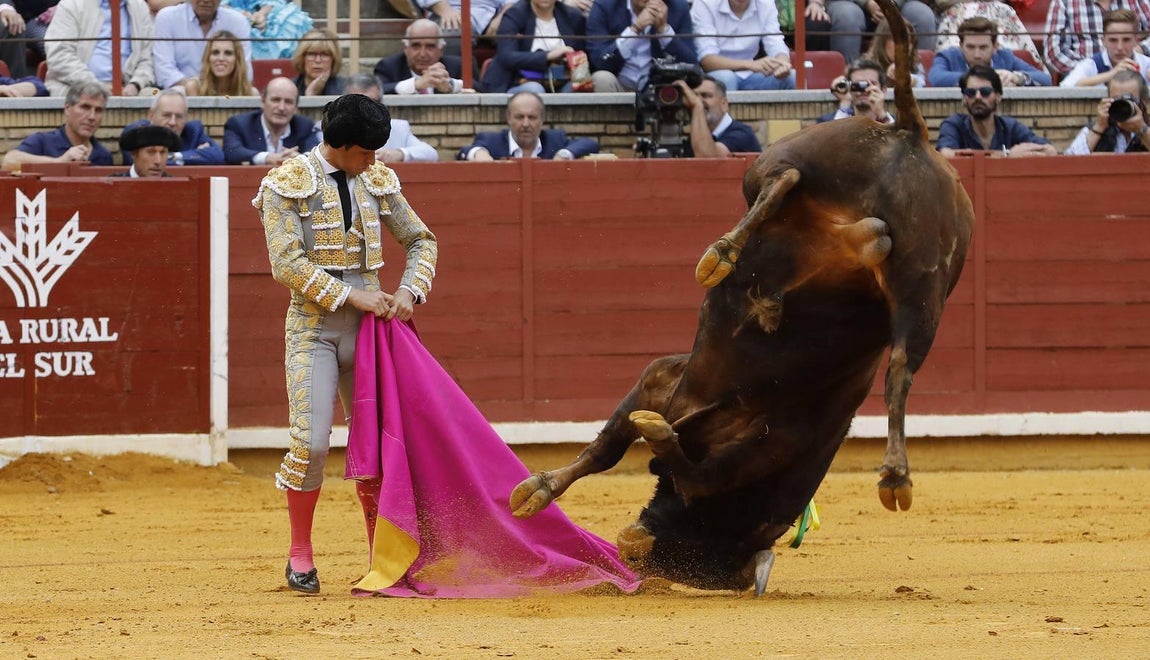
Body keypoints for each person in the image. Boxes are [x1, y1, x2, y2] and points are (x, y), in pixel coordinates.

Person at [253, 93, 438, 595]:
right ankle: (300, 554)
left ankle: (384, 558)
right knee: (311, 444)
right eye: (366, 152)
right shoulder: (286, 183)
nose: (374, 161)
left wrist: (407, 290)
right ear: (341, 144)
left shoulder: (377, 179)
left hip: (371, 334)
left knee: (378, 446)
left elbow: (422, 240)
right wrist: (354, 294)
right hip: (314, 327)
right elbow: (286, 264)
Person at [937, 65, 1057, 157]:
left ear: (998, 96)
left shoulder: (1011, 126)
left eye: (985, 92)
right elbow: (945, 155)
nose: (978, 97)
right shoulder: (953, 124)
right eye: (971, 92)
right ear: (964, 98)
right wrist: (1006, 155)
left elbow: (1051, 151)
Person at [43, 0, 155, 97]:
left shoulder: (140, 7)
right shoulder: (72, 4)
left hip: (128, 89)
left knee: (161, 101)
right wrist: (95, 85)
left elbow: (147, 59)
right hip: (75, 87)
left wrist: (135, 84)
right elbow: (59, 56)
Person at [586, 0, 697, 93]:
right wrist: (635, 29)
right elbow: (599, 62)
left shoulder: (678, 7)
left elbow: (691, 64)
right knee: (601, 78)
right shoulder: (605, 6)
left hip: (659, 89)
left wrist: (664, 31)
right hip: (619, 84)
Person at [479, 0, 587, 94]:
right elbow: (507, 57)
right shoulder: (514, 14)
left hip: (561, 79)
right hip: (517, 81)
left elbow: (582, 53)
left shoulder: (572, 16)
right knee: (535, 90)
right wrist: (548, 56)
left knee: (578, 89)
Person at [2, 81, 112, 170]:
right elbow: (9, 162)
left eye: (98, 110)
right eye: (85, 107)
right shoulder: (43, 141)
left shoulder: (103, 155)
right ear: (68, 109)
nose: (92, 117)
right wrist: (59, 162)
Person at [457, 90, 599, 160]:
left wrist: (564, 154)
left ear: (542, 120)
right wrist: (478, 153)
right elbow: (463, 152)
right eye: (519, 117)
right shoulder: (491, 141)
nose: (526, 124)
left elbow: (590, 144)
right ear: (508, 118)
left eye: (532, 117)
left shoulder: (555, 140)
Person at [690, 0, 795, 91]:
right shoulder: (705, 3)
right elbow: (706, 61)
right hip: (715, 74)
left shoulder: (766, 3)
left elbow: (776, 42)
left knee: (792, 77)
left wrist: (782, 64)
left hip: (751, 75)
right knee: (726, 78)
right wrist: (750, 65)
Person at [152, 0, 250, 90]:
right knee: (160, 95)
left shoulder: (238, 22)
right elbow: (164, 71)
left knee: (252, 93)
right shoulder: (167, 17)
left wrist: (212, 95)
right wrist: (195, 91)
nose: (206, 1)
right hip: (179, 95)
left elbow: (245, 72)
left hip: (225, 95)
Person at [928, 16, 1051, 88]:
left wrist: (1016, 77)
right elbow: (936, 79)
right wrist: (984, 78)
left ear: (995, 46)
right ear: (960, 45)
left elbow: (1046, 79)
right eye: (970, 47)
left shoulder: (1005, 57)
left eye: (983, 48)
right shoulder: (947, 56)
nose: (977, 54)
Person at [223, 76, 320, 165]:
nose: (282, 107)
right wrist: (268, 157)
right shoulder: (240, 124)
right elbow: (232, 152)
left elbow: (317, 154)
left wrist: (300, 158)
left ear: (296, 108)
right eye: (276, 100)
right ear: (262, 101)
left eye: (288, 102)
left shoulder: (304, 126)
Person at [344, 73, 439, 163]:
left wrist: (398, 154)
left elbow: (431, 154)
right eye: (358, 102)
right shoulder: (336, 129)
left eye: (372, 102)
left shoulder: (397, 128)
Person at [1043, 0, 1150, 78]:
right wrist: (1090, 69)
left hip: (1135, 72)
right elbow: (1054, 52)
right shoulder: (1064, 3)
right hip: (1085, 78)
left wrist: (1143, 49)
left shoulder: (1139, 1)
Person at [120, 88, 224, 167]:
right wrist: (193, 157)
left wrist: (176, 157)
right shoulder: (136, 132)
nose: (172, 122)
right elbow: (143, 165)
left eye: (179, 116)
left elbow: (217, 156)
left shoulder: (193, 131)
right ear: (151, 115)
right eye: (166, 115)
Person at [814, 0, 936, 60]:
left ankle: (918, 77)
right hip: (850, 3)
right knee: (847, 17)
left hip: (898, 4)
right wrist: (868, 3)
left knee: (922, 16)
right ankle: (849, 79)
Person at [1065, 69, 1150, 153]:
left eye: (1129, 99)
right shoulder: (1100, 126)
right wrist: (1099, 127)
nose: (1123, 105)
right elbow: (1069, 162)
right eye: (1117, 99)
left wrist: (1142, 130)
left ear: (1144, 101)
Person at [933, 0, 1043, 66]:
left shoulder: (1004, 9)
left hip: (996, 8)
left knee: (1008, 44)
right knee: (952, 48)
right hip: (958, 10)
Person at [374, 19, 468, 95]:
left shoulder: (458, 66)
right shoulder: (388, 66)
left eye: (430, 46)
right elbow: (376, 91)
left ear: (441, 50)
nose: (422, 54)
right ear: (405, 48)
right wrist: (415, 85)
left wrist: (451, 85)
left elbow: (479, 88)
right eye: (416, 46)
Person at [1060, 9, 1150, 87]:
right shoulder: (1092, 64)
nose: (1119, 47)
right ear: (1103, 41)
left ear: (1136, 41)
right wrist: (1111, 74)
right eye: (1113, 40)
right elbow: (1065, 89)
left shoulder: (1147, 64)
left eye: (1126, 40)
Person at [674, 75, 762, 156]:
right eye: (693, 96)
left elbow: (707, 160)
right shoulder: (695, 137)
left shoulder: (742, 134)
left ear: (724, 104)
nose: (698, 100)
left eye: (706, 96)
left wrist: (697, 106)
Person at [417, 0, 514, 56]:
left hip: (495, 12)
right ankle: (458, 86)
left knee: (514, 34)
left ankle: (510, 87)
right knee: (451, 36)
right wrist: (445, 10)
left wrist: (504, 16)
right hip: (450, 10)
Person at [223, 0, 313, 59]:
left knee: (293, 20)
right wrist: (240, 14)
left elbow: (272, 2)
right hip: (228, 13)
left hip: (264, 13)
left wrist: (262, 14)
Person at [186, 29, 257, 96]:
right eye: (215, 52)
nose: (221, 58)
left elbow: (226, 97)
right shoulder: (195, 88)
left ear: (237, 59)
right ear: (208, 57)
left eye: (228, 53)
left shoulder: (250, 93)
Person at [863, 18, 925, 88]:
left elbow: (922, 84)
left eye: (908, 41)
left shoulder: (915, 64)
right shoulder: (864, 66)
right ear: (882, 42)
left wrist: (907, 78)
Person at [832, 58, 893, 123]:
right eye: (857, 85)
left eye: (871, 84)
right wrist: (845, 104)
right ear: (848, 87)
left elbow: (895, 133)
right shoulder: (825, 121)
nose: (864, 90)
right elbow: (833, 133)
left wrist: (881, 115)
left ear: (883, 90)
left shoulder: (898, 124)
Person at [291, 28, 345, 96]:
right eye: (311, 54)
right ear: (302, 58)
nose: (318, 60)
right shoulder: (289, 88)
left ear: (333, 59)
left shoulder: (345, 89)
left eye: (325, 54)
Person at [111, 124, 181, 177]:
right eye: (151, 152)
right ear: (134, 154)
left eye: (163, 152)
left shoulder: (178, 189)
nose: (158, 161)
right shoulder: (112, 187)